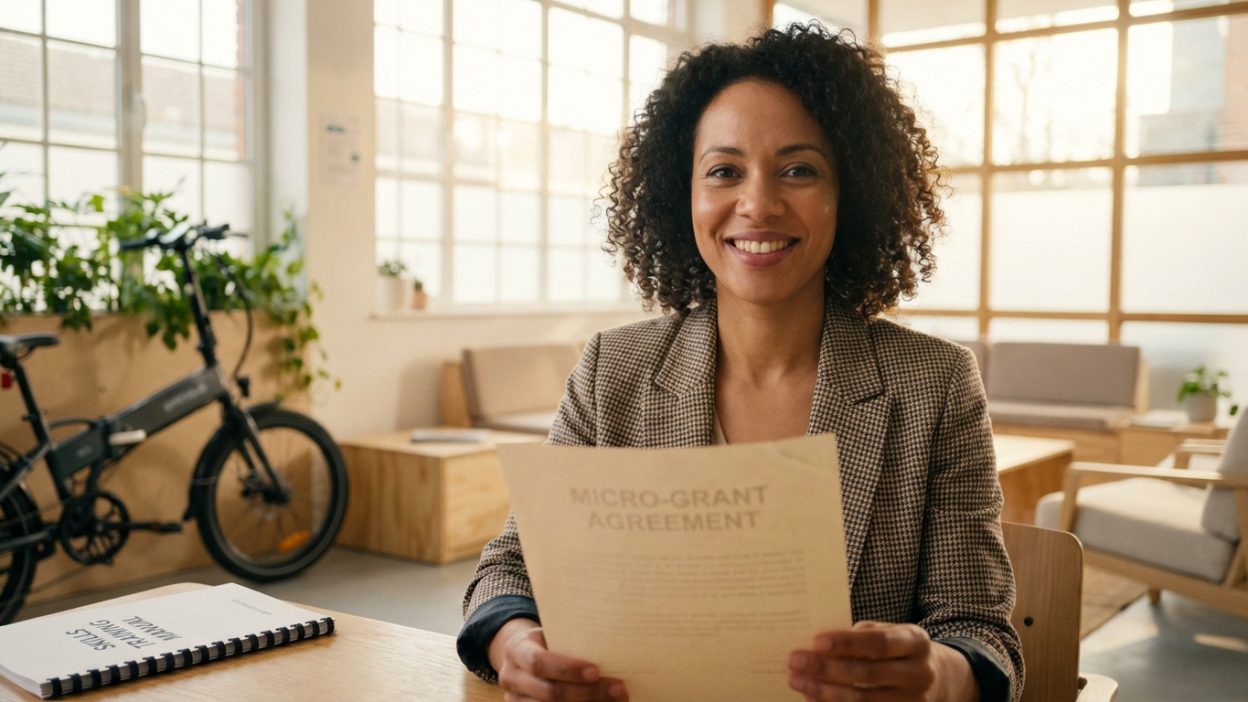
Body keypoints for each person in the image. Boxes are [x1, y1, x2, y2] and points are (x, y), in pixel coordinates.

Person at [457, 23, 1022, 702]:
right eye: (724, 171)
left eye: (799, 170)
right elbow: (509, 569)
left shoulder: (935, 386)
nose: (757, 204)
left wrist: (939, 674)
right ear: (682, 196)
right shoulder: (614, 371)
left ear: (852, 193)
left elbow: (981, 633)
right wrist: (515, 641)